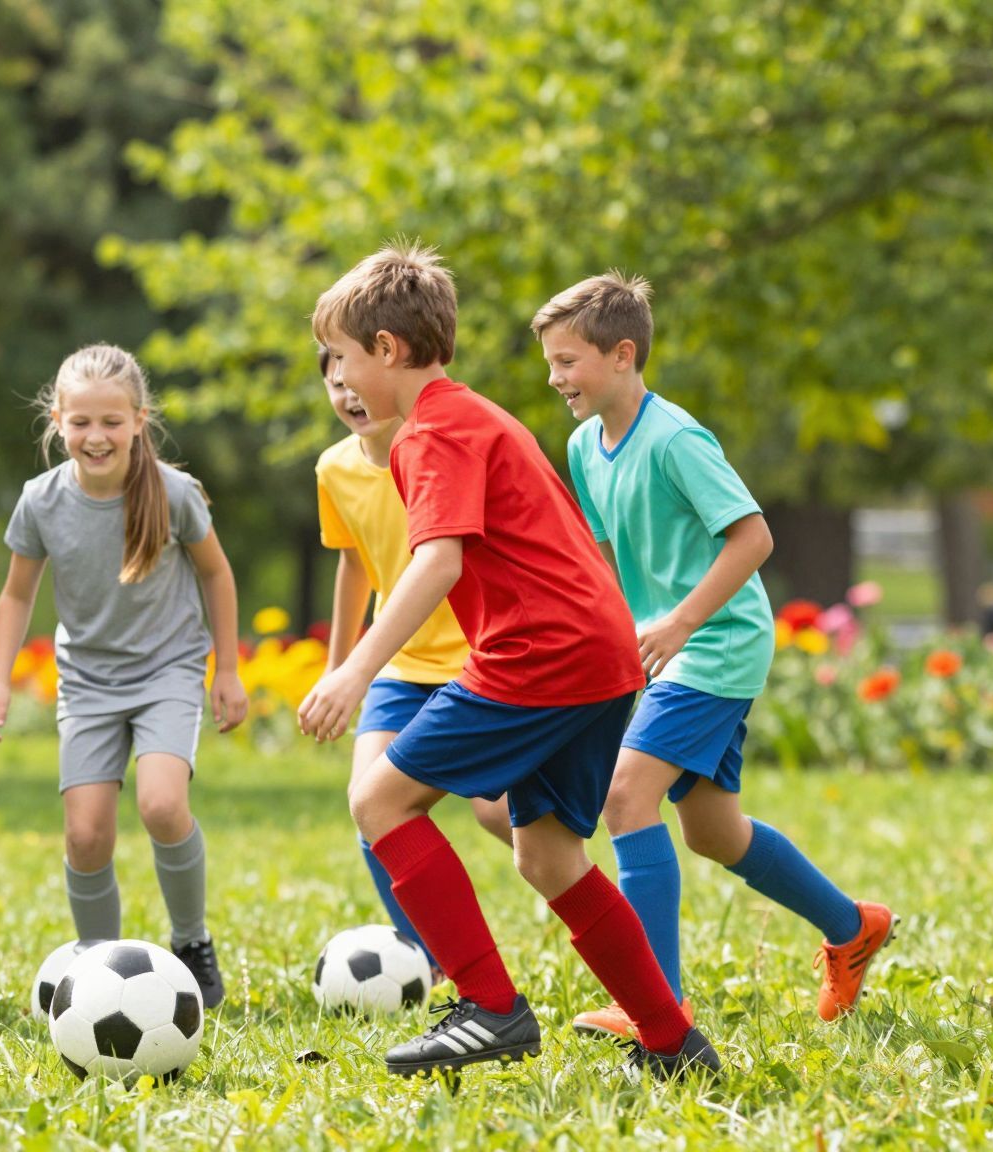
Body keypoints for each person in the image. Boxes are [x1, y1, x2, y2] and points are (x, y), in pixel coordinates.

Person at [298, 243, 718, 1079]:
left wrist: (354, 669)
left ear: (386, 349)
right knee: (548, 854)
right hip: (598, 654)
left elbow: (438, 562)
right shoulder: (470, 412)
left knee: (378, 799)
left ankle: (490, 1007)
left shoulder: (433, 433)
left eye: (342, 357)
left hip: (541, 652)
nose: (340, 378)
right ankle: (674, 1043)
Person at [537, 271, 894, 1038]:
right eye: (552, 362)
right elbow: (607, 565)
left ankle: (656, 1005)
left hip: (718, 642)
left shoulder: (675, 439)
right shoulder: (582, 448)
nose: (554, 377)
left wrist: (680, 624)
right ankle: (853, 926)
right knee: (712, 832)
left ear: (623, 354)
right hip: (665, 652)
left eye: (568, 361)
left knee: (626, 797)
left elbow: (753, 537)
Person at [0, 344, 248, 1008]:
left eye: (111, 422)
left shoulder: (174, 494)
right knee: (85, 834)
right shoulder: (40, 500)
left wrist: (228, 669)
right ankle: (100, 969)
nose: (96, 437)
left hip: (168, 670)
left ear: (138, 421)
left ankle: (191, 942)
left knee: (161, 805)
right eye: (81, 422)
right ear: (58, 420)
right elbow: (15, 595)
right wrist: (1, 679)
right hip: (89, 681)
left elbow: (216, 571)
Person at [311, 343, 512, 975]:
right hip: (399, 666)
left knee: (499, 815)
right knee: (371, 808)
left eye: (354, 379)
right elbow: (351, 563)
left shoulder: (428, 454)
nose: (347, 394)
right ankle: (434, 961)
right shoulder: (333, 469)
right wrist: (339, 665)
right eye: (333, 383)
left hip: (478, 656)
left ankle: (605, 894)